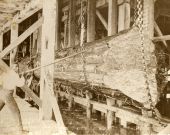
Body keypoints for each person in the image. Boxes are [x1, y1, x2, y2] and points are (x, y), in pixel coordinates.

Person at [0, 63, 28, 135]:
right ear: (12, 67)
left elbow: (1, 81)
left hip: (2, 92)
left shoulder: (7, 72)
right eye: (15, 67)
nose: (17, 68)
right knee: (16, 112)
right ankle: (20, 131)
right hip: (8, 95)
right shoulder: (14, 74)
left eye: (17, 67)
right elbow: (20, 84)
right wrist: (23, 76)